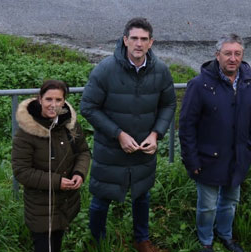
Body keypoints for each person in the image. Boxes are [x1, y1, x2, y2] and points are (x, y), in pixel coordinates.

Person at [80, 17, 176, 252]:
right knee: (102, 199)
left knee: (141, 195)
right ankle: (98, 242)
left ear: (151, 42)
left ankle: (141, 239)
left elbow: (168, 105)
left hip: (143, 149)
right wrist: (118, 134)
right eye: (134, 38)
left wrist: (156, 134)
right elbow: (88, 107)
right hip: (111, 149)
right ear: (125, 40)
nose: (139, 44)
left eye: (144, 39)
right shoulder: (105, 69)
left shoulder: (160, 71)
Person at [178, 34, 251, 252]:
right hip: (207, 158)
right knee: (207, 206)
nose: (233, 58)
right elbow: (187, 125)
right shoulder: (199, 85)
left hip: (238, 156)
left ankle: (225, 235)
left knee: (230, 201)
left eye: (237, 53)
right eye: (227, 53)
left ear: (242, 55)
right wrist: (191, 159)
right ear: (217, 55)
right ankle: (206, 240)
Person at [11, 79, 91, 252]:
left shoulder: (69, 124)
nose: (53, 105)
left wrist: (79, 173)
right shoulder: (26, 133)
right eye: (48, 99)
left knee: (57, 243)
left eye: (58, 100)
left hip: (65, 203)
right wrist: (58, 182)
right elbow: (21, 171)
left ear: (64, 101)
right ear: (40, 99)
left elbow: (83, 152)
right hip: (41, 208)